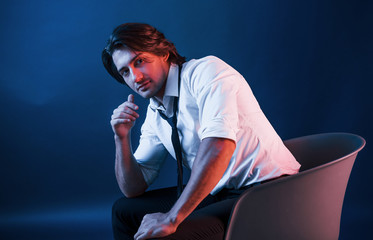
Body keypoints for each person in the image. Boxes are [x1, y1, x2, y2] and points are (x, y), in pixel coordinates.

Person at [102, 23, 300, 240]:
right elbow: (133, 188)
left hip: (266, 192)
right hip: (219, 193)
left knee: (165, 233)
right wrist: (121, 137)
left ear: (165, 53)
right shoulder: (155, 111)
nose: (135, 77)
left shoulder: (206, 72)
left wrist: (171, 219)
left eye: (139, 61)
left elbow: (219, 145)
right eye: (125, 72)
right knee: (124, 210)